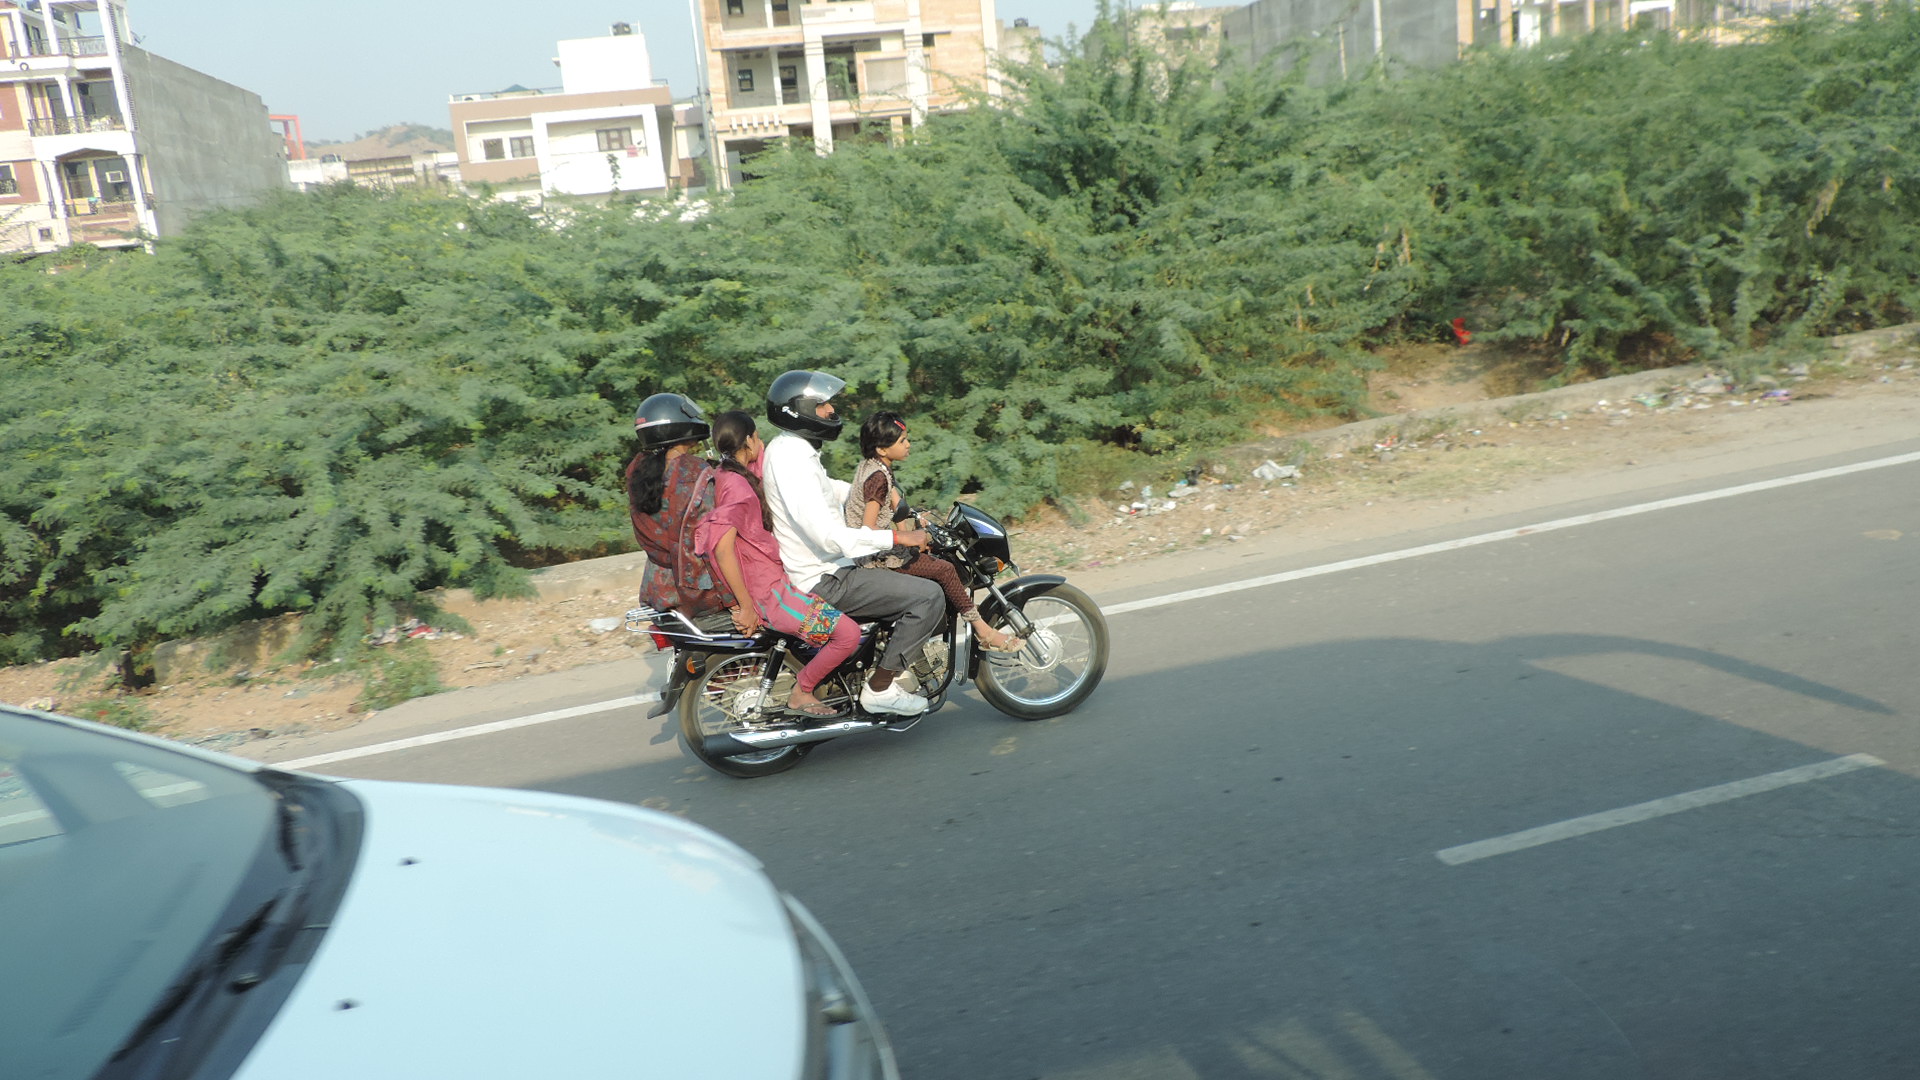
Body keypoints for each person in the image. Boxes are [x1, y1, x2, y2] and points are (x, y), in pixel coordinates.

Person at [758, 370, 943, 718]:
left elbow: (831, 491)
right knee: (927, 595)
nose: (831, 411)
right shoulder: (792, 459)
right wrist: (898, 536)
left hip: (827, 569)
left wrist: (891, 500)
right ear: (801, 410)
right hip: (826, 577)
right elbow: (829, 536)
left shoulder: (792, 450)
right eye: (823, 404)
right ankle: (881, 689)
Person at [694, 412, 860, 717]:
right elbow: (721, 548)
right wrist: (744, 605)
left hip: (774, 581)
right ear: (748, 440)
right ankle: (802, 692)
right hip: (771, 595)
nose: (763, 443)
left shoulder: (732, 472)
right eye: (758, 437)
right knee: (847, 635)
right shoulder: (739, 489)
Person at [844, 411, 1023, 652]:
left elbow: (898, 507)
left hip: (876, 549)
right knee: (945, 569)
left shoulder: (876, 466)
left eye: (907, 438)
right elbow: (868, 528)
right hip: (873, 557)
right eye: (901, 441)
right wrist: (906, 539)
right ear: (882, 449)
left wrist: (915, 524)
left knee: (931, 556)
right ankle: (983, 631)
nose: (908, 445)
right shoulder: (877, 477)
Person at [626, 392, 735, 617]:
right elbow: (712, 538)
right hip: (699, 592)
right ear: (680, 428)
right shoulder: (695, 472)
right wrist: (734, 600)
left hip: (657, 589)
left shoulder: (637, 469)